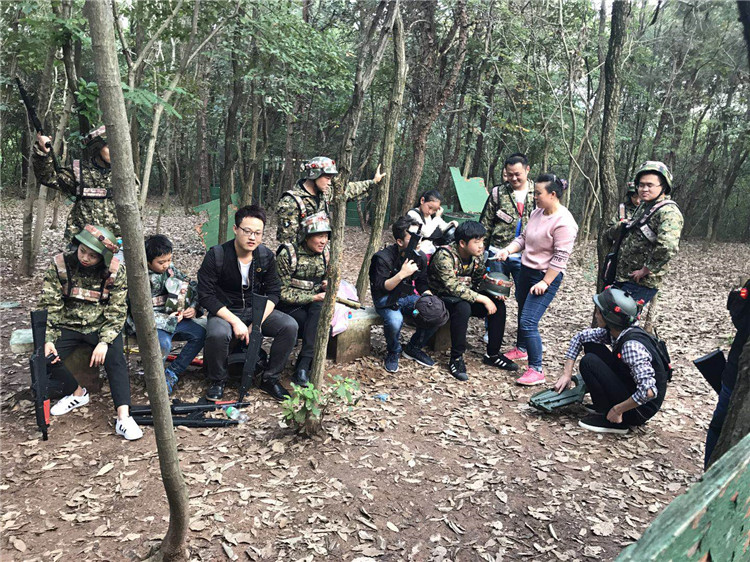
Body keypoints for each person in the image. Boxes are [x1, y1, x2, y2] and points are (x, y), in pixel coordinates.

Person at [38, 224, 142, 440]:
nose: (85, 258)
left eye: (92, 256)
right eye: (82, 251)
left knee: (116, 358)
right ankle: (77, 393)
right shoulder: (60, 265)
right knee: (43, 357)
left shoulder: (116, 271)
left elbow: (117, 311)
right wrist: (48, 339)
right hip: (67, 324)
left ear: (103, 257)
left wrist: (104, 341)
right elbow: (50, 305)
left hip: (100, 325)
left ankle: (123, 417)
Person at [198, 205, 298, 401]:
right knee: (218, 333)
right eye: (247, 231)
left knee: (289, 326)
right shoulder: (217, 255)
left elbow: (274, 292)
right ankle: (218, 380)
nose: (252, 237)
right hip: (225, 310)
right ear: (236, 229)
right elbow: (206, 295)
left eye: (258, 233)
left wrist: (257, 323)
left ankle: (270, 378)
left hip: (255, 309)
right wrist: (235, 321)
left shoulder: (265, 256)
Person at [496, 174, 578, 386]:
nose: (534, 197)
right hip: (526, 270)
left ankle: (536, 369)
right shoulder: (536, 213)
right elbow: (523, 238)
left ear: (553, 194)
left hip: (545, 276)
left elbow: (560, 257)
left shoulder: (564, 222)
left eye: (538, 193)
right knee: (523, 310)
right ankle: (521, 349)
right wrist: (508, 250)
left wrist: (545, 282)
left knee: (529, 321)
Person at [554, 287, 670, 434]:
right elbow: (580, 337)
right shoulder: (617, 332)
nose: (596, 315)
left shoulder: (631, 346)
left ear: (608, 318)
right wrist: (567, 374)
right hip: (630, 387)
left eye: (598, 312)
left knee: (589, 361)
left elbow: (648, 392)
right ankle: (604, 407)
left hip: (639, 410)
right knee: (591, 346)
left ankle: (616, 419)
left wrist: (618, 409)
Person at [428, 221, 518, 381]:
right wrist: (482, 298)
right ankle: (456, 358)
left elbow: (479, 280)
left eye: (482, 241)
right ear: (462, 243)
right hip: (440, 299)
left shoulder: (476, 257)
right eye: (476, 242)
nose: (481, 246)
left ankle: (493, 354)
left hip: (465, 296)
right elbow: (452, 286)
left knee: (498, 304)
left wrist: (495, 291)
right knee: (463, 307)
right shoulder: (444, 255)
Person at [369, 216, 446, 373]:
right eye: (413, 238)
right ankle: (393, 351)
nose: (418, 241)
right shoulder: (382, 258)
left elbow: (421, 283)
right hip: (386, 300)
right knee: (395, 321)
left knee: (436, 313)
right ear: (399, 241)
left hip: (407, 299)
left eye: (419, 236)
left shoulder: (420, 257)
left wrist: (429, 299)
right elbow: (382, 287)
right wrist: (402, 274)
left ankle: (414, 347)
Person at [479, 153, 536, 360]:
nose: (513, 178)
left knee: (525, 299)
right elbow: (485, 223)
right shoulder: (498, 193)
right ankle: (492, 333)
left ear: (527, 170)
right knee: (495, 294)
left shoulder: (537, 193)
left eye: (517, 174)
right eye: (510, 174)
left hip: (526, 255)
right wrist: (482, 252)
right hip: (498, 252)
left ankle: (523, 343)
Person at [140, 234, 206, 395]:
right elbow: (138, 311)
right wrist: (169, 320)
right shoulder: (139, 277)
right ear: (148, 261)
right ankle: (155, 380)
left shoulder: (170, 269)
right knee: (164, 344)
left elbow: (191, 286)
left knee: (200, 334)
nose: (166, 265)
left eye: (169, 260)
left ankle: (172, 372)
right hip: (153, 324)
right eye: (161, 262)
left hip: (175, 317)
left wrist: (193, 307)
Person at [33, 126, 122, 244]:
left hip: (116, 243)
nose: (115, 151)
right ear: (97, 147)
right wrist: (43, 153)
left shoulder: (125, 176)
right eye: (109, 147)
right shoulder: (79, 172)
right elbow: (48, 177)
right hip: (83, 243)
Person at [611, 161, 684, 304]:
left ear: (663, 187)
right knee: (609, 312)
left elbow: (668, 246)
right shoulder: (645, 206)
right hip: (625, 276)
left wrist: (646, 269)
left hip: (641, 281)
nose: (644, 189)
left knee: (619, 315)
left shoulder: (668, 212)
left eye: (650, 185)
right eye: (641, 185)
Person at [276, 156, 386, 246]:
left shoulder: (325, 194)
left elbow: (350, 189)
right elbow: (287, 243)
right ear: (315, 175)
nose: (329, 183)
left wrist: (373, 182)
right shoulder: (291, 202)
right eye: (327, 178)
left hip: (321, 258)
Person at [276, 215, 332, 386]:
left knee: (319, 314)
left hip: (314, 306)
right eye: (319, 236)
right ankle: (304, 365)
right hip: (288, 307)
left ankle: (304, 364)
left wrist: (326, 284)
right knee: (313, 322)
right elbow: (280, 292)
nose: (323, 241)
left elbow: (328, 277)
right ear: (306, 236)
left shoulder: (326, 253)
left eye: (326, 236)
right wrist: (313, 296)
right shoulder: (288, 254)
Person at [704, 277, 750, 467]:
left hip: (739, 372)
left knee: (720, 425)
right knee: (720, 425)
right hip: (738, 369)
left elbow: (739, 315)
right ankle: (709, 473)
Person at [406, 190, 458, 257]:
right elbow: (426, 233)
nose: (430, 212)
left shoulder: (430, 216)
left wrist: (452, 224)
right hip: (417, 251)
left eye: (435, 210)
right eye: (430, 207)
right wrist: (437, 217)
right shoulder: (413, 214)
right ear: (422, 200)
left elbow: (443, 227)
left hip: (430, 249)